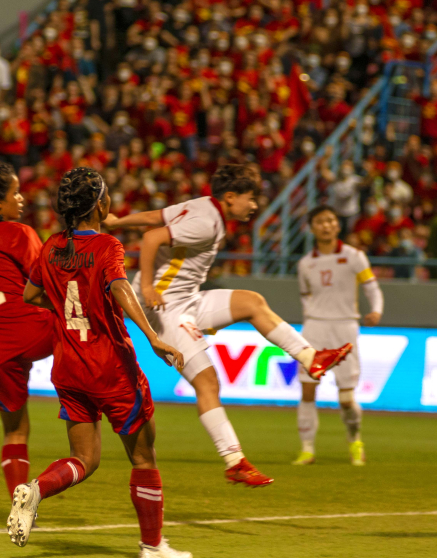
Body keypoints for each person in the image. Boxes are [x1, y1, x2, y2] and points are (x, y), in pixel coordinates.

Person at [103, 165, 351, 486]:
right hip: (164, 309)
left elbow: (156, 218)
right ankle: (235, 460)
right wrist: (148, 287)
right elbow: (151, 238)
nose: (255, 205)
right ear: (230, 197)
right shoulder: (206, 222)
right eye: (251, 199)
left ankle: (310, 358)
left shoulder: (204, 207)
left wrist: (118, 222)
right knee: (207, 383)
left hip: (187, 299)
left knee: (252, 302)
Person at [13, 167, 190, 558]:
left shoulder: (52, 245)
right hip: (109, 366)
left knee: (85, 459)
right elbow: (119, 286)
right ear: (100, 205)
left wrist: (62, 308)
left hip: (68, 367)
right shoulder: (107, 245)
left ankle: (36, 489)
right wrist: (153, 336)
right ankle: (153, 545)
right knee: (144, 456)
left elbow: (30, 294)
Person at [0, 163, 56, 498]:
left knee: (15, 430)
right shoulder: (19, 233)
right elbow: (47, 280)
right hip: (34, 330)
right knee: (83, 319)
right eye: (14, 193)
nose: (21, 199)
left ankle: (18, 501)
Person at [293, 205, 384, 466]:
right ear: (312, 228)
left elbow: (372, 288)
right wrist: (311, 319)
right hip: (314, 329)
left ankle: (355, 440)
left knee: (346, 399)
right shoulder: (305, 263)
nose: (326, 225)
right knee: (308, 391)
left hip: (345, 328)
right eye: (320, 221)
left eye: (331, 220)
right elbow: (305, 296)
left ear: (337, 225)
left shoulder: (355, 256)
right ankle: (307, 449)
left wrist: (376, 311)